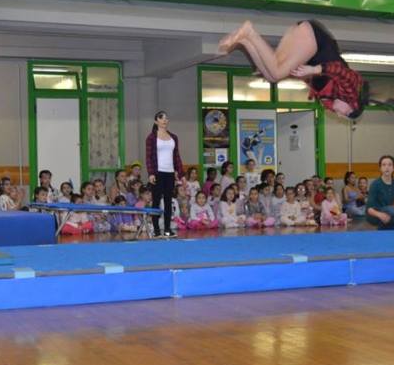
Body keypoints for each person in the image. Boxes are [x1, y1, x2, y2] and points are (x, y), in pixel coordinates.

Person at [219, 20, 365, 119]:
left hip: (308, 40)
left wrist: (296, 72)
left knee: (271, 75)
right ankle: (249, 32)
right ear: (352, 104)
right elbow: (340, 71)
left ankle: (245, 40)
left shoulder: (329, 99)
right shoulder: (351, 91)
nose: (340, 114)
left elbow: (308, 76)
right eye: (346, 113)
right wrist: (314, 70)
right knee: (277, 72)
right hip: (315, 39)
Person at [146, 110, 184, 238]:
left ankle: (167, 229)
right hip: (158, 173)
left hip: (170, 173)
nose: (164, 120)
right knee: (156, 201)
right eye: (161, 118)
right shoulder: (151, 137)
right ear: (156, 121)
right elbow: (149, 157)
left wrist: (180, 172)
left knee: (168, 201)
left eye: (166, 118)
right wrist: (151, 173)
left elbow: (176, 156)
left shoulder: (174, 137)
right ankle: (156, 230)